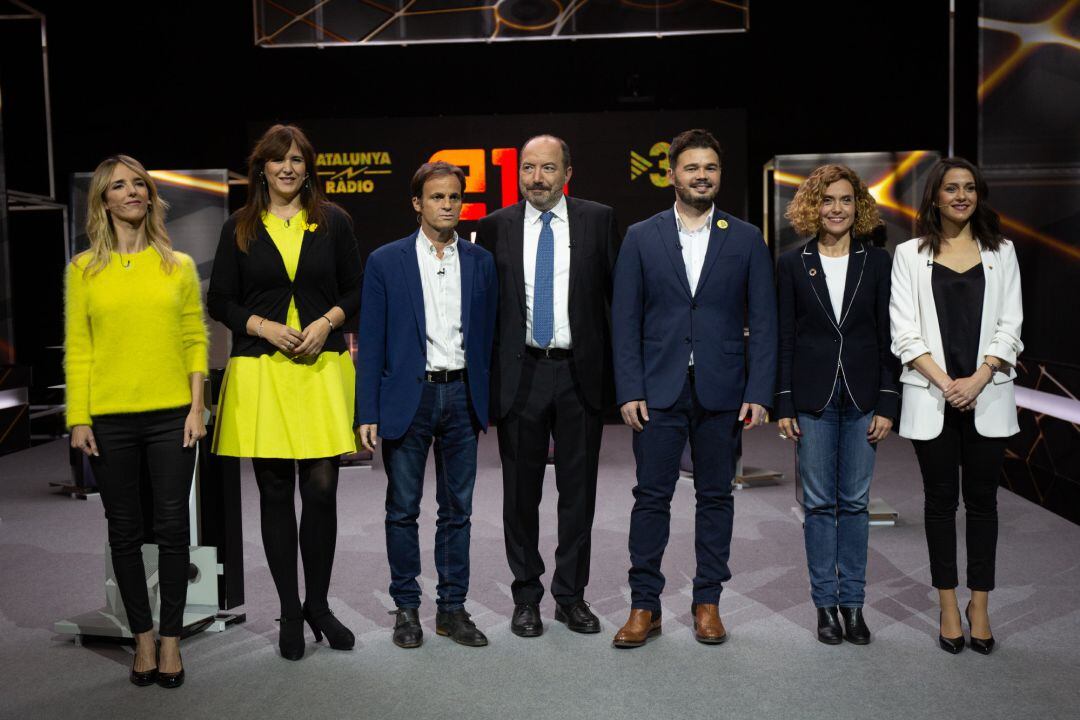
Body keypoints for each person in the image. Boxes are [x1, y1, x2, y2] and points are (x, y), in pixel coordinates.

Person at [610, 129, 777, 647]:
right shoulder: (642, 235)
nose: (702, 175)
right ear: (672, 175)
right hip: (657, 390)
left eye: (710, 167)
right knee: (650, 498)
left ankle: (708, 603)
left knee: (715, 498)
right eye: (691, 167)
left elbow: (766, 322)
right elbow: (625, 318)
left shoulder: (746, 237)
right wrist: (629, 387)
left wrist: (760, 391)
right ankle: (644, 606)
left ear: (718, 176)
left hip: (722, 390)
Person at [207, 124, 362, 661]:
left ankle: (319, 606)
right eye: (278, 160)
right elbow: (219, 300)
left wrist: (327, 322)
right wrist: (262, 327)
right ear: (263, 169)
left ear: (308, 167)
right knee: (274, 495)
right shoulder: (240, 227)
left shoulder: (334, 220)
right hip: (262, 371)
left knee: (321, 492)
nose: (289, 168)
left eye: (297, 159)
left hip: (321, 369)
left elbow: (355, 288)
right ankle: (291, 611)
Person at [66, 155, 208, 688]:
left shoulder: (178, 265)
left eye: (139, 185)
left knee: (172, 529)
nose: (131, 193)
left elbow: (195, 341)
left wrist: (198, 408)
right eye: (119, 186)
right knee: (124, 532)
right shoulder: (83, 270)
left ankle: (170, 640)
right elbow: (79, 349)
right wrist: (78, 418)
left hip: (173, 415)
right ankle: (142, 638)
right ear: (103, 200)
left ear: (150, 196)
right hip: (109, 421)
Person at [475, 135, 620, 638]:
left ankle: (570, 596)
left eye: (548, 169)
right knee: (520, 494)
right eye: (529, 169)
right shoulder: (494, 226)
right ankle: (526, 597)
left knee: (578, 493)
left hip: (580, 374)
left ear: (567, 173)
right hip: (522, 375)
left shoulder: (598, 220)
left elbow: (613, 301)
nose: (537, 178)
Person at [356, 161, 498, 649]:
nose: (447, 205)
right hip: (407, 398)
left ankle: (452, 610)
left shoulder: (481, 262)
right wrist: (366, 411)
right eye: (437, 197)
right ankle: (408, 609)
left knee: (458, 510)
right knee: (403, 509)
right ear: (417, 204)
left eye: (454, 197)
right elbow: (370, 341)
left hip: (462, 395)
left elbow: (490, 337)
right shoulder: (385, 260)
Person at [890, 157, 1022, 655]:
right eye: (952, 188)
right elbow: (904, 332)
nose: (961, 196)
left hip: (988, 394)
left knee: (984, 505)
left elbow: (1012, 324)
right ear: (935, 197)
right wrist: (949, 384)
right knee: (940, 504)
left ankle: (980, 605)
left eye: (969, 188)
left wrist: (980, 377)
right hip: (933, 396)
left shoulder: (1002, 251)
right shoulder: (909, 254)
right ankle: (948, 604)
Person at [775, 164, 899, 645]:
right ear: (813, 205)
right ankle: (825, 606)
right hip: (811, 398)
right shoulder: (790, 262)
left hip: (866, 397)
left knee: (855, 504)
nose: (836, 209)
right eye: (827, 200)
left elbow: (890, 338)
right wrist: (783, 402)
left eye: (846, 200)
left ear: (858, 206)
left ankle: (854, 605)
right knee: (819, 504)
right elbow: (785, 336)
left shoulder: (878, 260)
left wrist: (889, 401)